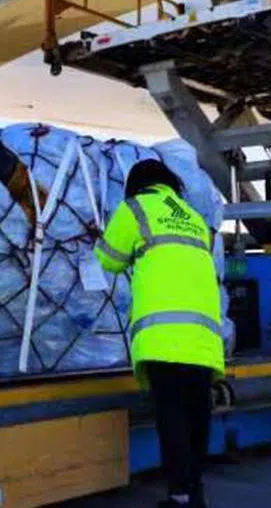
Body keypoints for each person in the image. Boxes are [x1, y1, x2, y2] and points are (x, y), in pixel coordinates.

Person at [94, 159, 224, 508]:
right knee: (198, 417)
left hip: (163, 336)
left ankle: (179, 496)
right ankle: (195, 492)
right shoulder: (194, 217)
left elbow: (107, 259)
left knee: (173, 418)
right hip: (204, 339)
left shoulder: (135, 208)